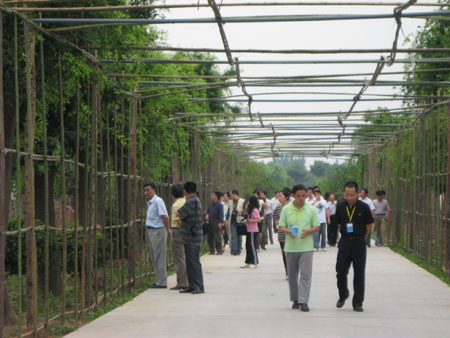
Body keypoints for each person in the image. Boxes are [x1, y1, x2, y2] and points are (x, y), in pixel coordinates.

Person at [279, 184, 320, 312]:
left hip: (306, 246)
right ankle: (295, 299)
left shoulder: (311, 209)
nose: (301, 198)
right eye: (298, 196)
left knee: (306, 274)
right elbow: (281, 226)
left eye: (304, 195)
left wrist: (308, 231)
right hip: (291, 247)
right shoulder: (286, 209)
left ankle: (304, 300)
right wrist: (288, 231)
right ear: (293, 196)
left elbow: (317, 226)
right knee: (292, 275)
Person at [335, 181, 374, 312]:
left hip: (358, 242)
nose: (350, 197)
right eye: (347, 195)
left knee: (359, 273)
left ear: (357, 193)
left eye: (352, 195)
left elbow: (368, 226)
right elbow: (339, 224)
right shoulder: (340, 206)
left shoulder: (364, 207)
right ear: (344, 194)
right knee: (340, 272)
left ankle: (358, 302)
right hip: (345, 241)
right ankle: (343, 294)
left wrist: (361, 238)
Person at [177, 181, 205, 294]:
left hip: (192, 236)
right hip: (192, 236)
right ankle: (192, 285)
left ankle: (198, 286)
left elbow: (180, 213)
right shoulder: (196, 200)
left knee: (193, 262)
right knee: (190, 261)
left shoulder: (191, 201)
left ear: (185, 191)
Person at [144, 182, 171, 289]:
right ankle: (158, 280)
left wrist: (167, 229)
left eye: (148, 190)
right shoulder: (150, 203)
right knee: (155, 256)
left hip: (158, 231)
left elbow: (165, 216)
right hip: (151, 231)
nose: (145, 192)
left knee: (159, 256)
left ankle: (162, 282)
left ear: (154, 190)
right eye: (145, 190)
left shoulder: (158, 201)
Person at [169, 184, 188, 290]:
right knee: (185, 256)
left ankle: (182, 282)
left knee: (179, 257)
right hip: (187, 233)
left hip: (178, 231)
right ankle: (187, 280)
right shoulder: (186, 202)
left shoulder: (176, 205)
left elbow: (179, 221)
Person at [273, 187, 291, 280]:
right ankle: (288, 272)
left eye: (281, 196)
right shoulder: (277, 209)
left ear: (287, 197)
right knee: (285, 254)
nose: (279, 198)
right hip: (282, 234)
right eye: (278, 196)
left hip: (291, 235)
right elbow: (276, 221)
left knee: (292, 254)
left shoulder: (292, 207)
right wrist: (281, 222)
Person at [241, 196, 261, 269]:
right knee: (248, 246)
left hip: (253, 230)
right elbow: (245, 215)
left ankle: (255, 262)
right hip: (248, 230)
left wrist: (251, 220)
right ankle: (248, 261)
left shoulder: (255, 210)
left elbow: (259, 219)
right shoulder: (250, 209)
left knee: (252, 247)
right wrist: (246, 209)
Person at [230, 190, 245, 255]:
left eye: (231, 195)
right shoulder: (230, 202)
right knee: (233, 236)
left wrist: (241, 213)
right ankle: (234, 250)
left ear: (235, 194)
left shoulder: (243, 201)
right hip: (232, 220)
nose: (230, 196)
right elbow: (228, 211)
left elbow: (245, 211)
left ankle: (238, 249)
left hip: (240, 220)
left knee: (239, 236)